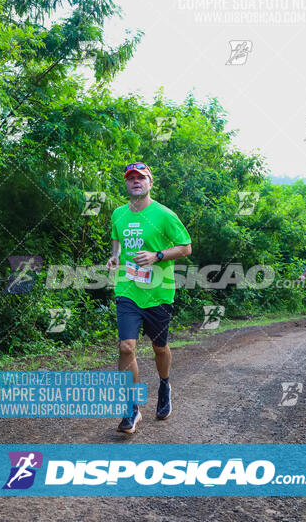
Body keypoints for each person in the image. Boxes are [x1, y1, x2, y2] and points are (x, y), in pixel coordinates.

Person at [106, 162, 192, 433]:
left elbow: (186, 248)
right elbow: (117, 239)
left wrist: (157, 256)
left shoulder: (164, 214)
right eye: (131, 178)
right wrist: (115, 255)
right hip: (127, 289)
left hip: (158, 292)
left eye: (140, 178)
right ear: (126, 184)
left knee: (159, 348)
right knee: (126, 347)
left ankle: (165, 384)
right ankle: (131, 409)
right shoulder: (118, 214)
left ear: (150, 182)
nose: (135, 182)